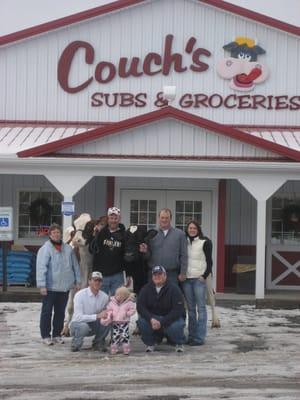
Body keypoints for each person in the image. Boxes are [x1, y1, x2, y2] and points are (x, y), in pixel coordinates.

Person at [36, 223, 81, 346]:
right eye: (54, 232)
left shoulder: (68, 249)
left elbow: (75, 266)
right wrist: (42, 285)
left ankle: (56, 334)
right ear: (50, 234)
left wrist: (78, 281)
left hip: (64, 287)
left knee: (60, 312)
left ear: (61, 234)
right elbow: (41, 268)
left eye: (58, 232)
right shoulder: (45, 249)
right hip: (50, 287)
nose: (56, 234)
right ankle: (45, 335)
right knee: (47, 311)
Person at [137, 266, 186, 353]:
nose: (157, 277)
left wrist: (162, 321)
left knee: (176, 326)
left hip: (170, 318)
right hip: (154, 318)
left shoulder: (174, 289)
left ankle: (178, 342)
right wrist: (150, 318)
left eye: (160, 274)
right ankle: (151, 343)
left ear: (165, 276)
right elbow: (140, 307)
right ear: (152, 277)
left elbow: (178, 310)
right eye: (155, 275)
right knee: (142, 322)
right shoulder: (145, 289)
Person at [182, 220, 213, 346]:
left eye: (194, 228)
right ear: (187, 229)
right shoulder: (184, 242)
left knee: (201, 308)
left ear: (198, 229)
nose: (192, 230)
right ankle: (191, 336)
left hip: (198, 280)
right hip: (187, 280)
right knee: (190, 309)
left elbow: (210, 262)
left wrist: (204, 276)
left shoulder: (205, 242)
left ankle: (200, 338)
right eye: (190, 228)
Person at [139, 208, 187, 284]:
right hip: (154, 274)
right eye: (162, 218)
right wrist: (144, 252)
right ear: (159, 218)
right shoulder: (152, 234)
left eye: (167, 218)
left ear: (170, 219)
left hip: (172, 275)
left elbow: (184, 255)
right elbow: (147, 256)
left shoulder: (179, 234)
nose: (164, 220)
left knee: (171, 295)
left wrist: (183, 272)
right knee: (154, 296)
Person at [89, 207, 128, 295]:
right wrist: (95, 235)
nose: (113, 221)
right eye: (111, 218)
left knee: (118, 301)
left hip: (117, 275)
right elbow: (91, 250)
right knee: (101, 302)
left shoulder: (124, 234)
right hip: (101, 274)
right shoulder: (101, 232)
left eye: (116, 218)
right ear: (108, 219)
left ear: (119, 219)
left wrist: (128, 273)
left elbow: (126, 254)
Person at [69, 271, 110, 352]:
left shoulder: (105, 296)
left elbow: (106, 313)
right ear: (89, 281)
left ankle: (98, 343)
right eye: (95, 280)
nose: (97, 282)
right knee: (84, 326)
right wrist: (97, 316)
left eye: (99, 280)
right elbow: (78, 317)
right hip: (77, 324)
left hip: (93, 324)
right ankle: (76, 344)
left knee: (108, 319)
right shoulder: (80, 295)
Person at [101, 286, 136, 355]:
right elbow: (109, 309)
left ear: (125, 296)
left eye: (121, 295)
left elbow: (132, 310)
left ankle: (126, 348)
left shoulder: (129, 303)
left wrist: (127, 313)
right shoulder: (112, 302)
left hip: (124, 322)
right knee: (115, 335)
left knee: (124, 335)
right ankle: (114, 348)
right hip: (115, 322)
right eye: (117, 294)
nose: (119, 296)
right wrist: (109, 315)